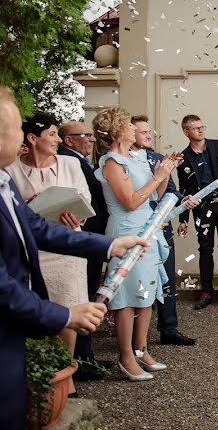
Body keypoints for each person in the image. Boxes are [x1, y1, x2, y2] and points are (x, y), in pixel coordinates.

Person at [0, 86, 149, 428]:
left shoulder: (3, 179)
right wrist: (64, 313)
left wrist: (109, 246)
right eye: (14, 127)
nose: (20, 134)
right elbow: (3, 287)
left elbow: (38, 228)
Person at [6, 113, 93, 396]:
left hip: (67, 245)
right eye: (52, 134)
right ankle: (42, 376)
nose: (58, 140)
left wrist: (75, 217)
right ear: (32, 139)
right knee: (38, 308)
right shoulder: (12, 170)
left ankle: (65, 378)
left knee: (69, 305)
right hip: (34, 249)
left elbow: (85, 199)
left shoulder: (70, 164)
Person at [93, 107, 179, 381]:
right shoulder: (112, 163)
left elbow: (155, 195)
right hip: (126, 231)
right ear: (119, 130)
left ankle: (141, 350)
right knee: (126, 297)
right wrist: (156, 177)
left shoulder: (138, 157)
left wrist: (164, 173)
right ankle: (125, 357)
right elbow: (129, 201)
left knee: (147, 293)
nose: (136, 129)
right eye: (130, 125)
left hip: (148, 229)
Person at [132, 115, 197, 345]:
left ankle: (169, 328)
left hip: (162, 225)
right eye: (143, 132)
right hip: (136, 226)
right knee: (139, 280)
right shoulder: (123, 161)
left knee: (168, 277)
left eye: (150, 132)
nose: (149, 135)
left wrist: (177, 205)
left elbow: (171, 190)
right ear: (131, 135)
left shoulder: (159, 158)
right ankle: (134, 335)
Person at [58, 120, 112, 381]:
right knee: (83, 294)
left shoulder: (79, 159)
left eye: (92, 135)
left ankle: (85, 356)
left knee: (88, 291)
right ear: (69, 140)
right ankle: (80, 359)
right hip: (84, 235)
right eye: (85, 135)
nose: (92, 139)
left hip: (91, 236)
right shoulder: (69, 161)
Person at [176, 115, 218, 311]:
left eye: (201, 126)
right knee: (205, 250)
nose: (200, 130)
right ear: (186, 132)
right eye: (195, 128)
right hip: (201, 209)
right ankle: (206, 292)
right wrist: (183, 219)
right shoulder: (183, 158)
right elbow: (183, 189)